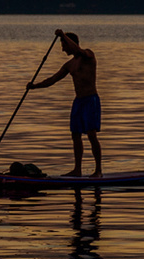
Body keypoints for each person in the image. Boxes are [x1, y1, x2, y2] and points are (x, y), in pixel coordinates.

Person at [28, 29, 101, 177]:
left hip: (90, 100)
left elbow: (77, 49)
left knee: (91, 135)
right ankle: (77, 170)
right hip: (78, 102)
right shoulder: (69, 65)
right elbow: (52, 80)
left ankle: (98, 170)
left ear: (70, 43)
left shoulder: (88, 55)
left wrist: (63, 36)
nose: (62, 49)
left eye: (64, 45)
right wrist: (34, 86)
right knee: (75, 134)